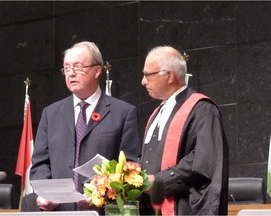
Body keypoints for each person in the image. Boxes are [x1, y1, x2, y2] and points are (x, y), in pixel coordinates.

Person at [29, 41, 142, 212]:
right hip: (59, 211)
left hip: (102, 211)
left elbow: (131, 167)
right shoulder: (50, 113)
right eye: (66, 68)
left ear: (97, 71)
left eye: (78, 67)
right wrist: (45, 194)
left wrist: (103, 195)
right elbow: (40, 163)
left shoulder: (124, 113)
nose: (71, 73)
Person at [140, 46, 229, 215]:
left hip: (184, 208)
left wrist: (159, 182)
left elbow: (203, 162)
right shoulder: (157, 113)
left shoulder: (202, 109)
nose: (143, 82)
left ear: (169, 76)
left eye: (147, 75)